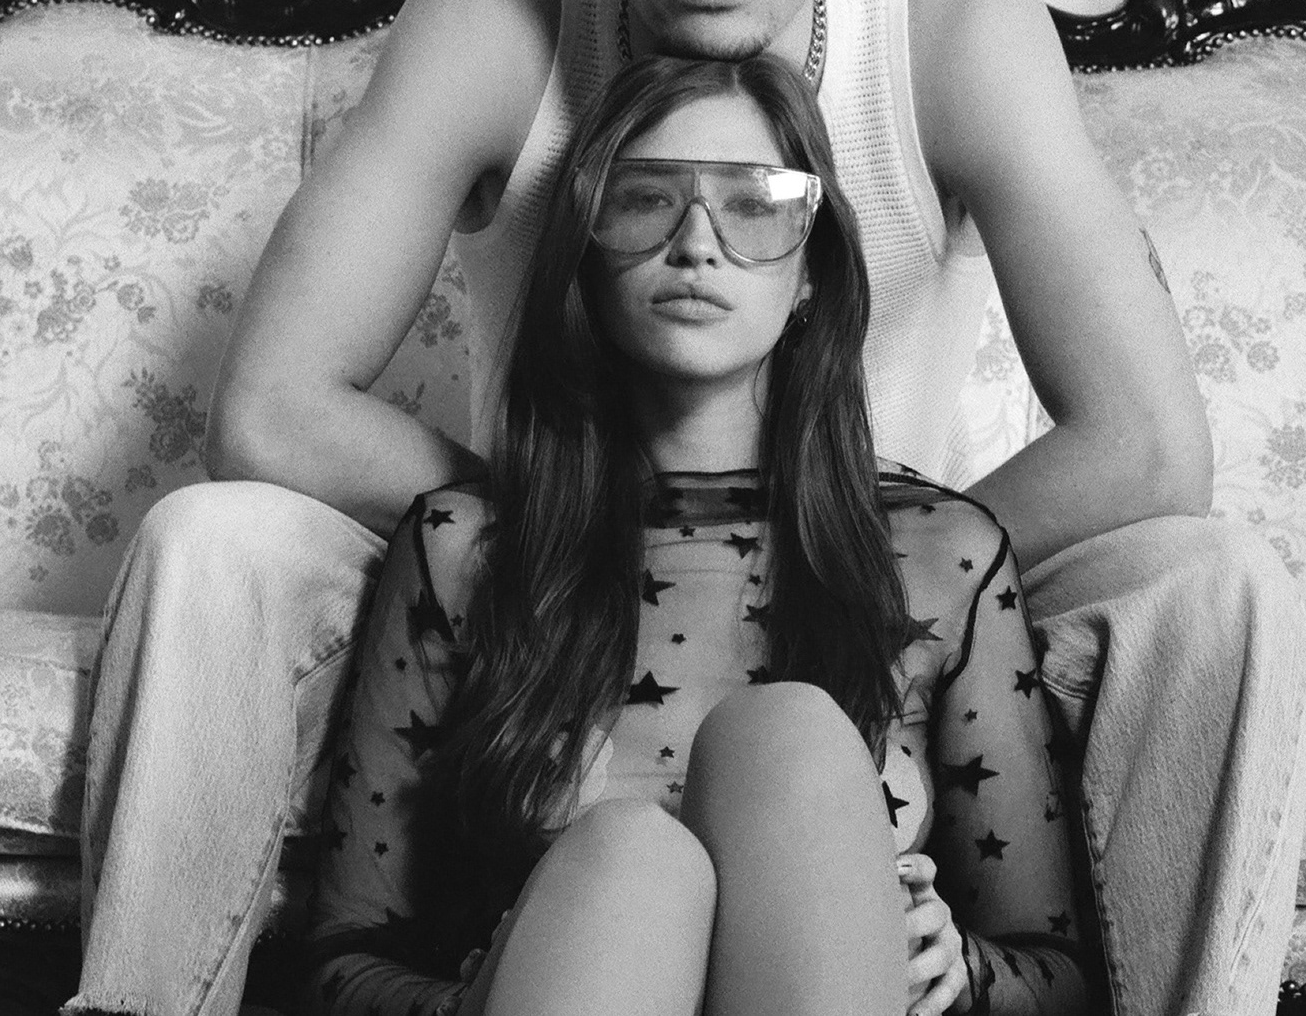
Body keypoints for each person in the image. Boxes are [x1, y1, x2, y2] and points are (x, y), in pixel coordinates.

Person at [63, 0, 1306, 1011]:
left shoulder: (957, 30)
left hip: (878, 566)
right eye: (643, 205)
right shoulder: (491, 4)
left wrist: (877, 564)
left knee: (1219, 578)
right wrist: (559, 526)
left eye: (758, 208)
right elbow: (274, 411)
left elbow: (1147, 444)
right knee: (210, 538)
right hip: (541, 556)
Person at [307, 53, 1083, 1016]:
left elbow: (1061, 971)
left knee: (790, 740)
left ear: (812, 270)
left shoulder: (943, 556)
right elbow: (340, 960)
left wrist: (960, 966)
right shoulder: (464, 549)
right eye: (644, 200)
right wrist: (470, 997)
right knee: (630, 857)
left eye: (756, 205)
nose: (697, 245)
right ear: (585, 253)